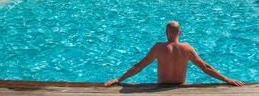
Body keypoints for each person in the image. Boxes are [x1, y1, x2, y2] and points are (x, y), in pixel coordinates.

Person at [104, 21, 244, 87]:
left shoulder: (158, 47)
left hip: (160, 86)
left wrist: (119, 79)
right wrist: (227, 79)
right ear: (180, 33)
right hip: (181, 87)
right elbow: (205, 68)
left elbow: (139, 67)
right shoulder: (187, 48)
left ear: (166, 33)